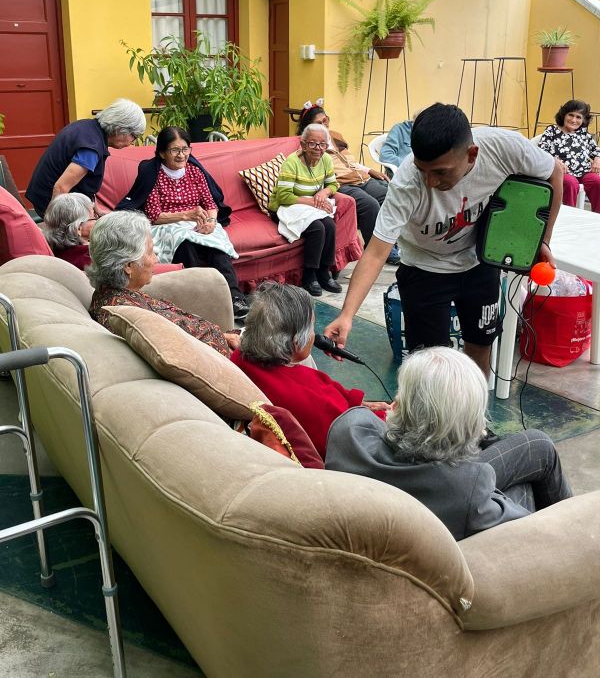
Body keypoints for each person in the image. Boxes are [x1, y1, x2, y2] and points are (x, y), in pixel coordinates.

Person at [324, 103, 563, 377]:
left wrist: (542, 239)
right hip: (424, 269)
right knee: (428, 365)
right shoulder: (406, 184)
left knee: (480, 348)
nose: (430, 182)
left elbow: (555, 171)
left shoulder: (503, 148)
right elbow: (376, 253)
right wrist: (347, 314)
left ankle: (474, 417)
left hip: (478, 264)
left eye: (441, 172)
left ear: (472, 154)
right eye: (422, 169)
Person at [326, 347, 572, 541]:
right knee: (527, 488)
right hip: (444, 500)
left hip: (401, 486)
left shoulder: (348, 431)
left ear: (398, 404)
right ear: (475, 427)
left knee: (538, 444)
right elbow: (535, 531)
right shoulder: (469, 489)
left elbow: (388, 432)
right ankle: (579, 544)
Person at [230, 282, 388, 458]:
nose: (315, 336)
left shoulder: (241, 355)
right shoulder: (307, 398)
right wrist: (386, 416)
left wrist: (359, 404)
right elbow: (356, 438)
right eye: (312, 328)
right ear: (296, 342)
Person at [116, 125, 249, 322]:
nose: (181, 155)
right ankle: (201, 297)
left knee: (215, 246)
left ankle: (235, 296)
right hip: (167, 226)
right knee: (185, 244)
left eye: (185, 149)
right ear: (162, 153)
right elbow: (154, 215)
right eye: (174, 150)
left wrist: (211, 222)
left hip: (196, 221)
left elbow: (211, 203)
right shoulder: (153, 174)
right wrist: (186, 216)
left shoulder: (195, 172)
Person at [87, 211, 239, 356]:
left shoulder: (117, 293)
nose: (156, 259)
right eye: (150, 252)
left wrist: (224, 336)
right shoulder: (132, 318)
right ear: (128, 266)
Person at [297, 101, 400, 266]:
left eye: (326, 120)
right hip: (342, 184)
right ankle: (378, 251)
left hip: (360, 178)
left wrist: (368, 170)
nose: (324, 125)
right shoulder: (309, 144)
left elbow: (350, 161)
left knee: (390, 194)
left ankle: (389, 243)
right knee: (370, 205)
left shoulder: (334, 136)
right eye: (319, 123)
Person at [26, 98, 146, 218]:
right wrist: (54, 224)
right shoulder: (91, 149)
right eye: (134, 136)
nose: (133, 142)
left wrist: (97, 210)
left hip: (47, 197)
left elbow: (86, 185)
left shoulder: (88, 127)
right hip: (50, 203)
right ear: (122, 129)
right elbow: (61, 187)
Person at [269, 123, 342, 297]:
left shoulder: (326, 160)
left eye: (322, 144)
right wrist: (314, 202)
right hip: (286, 206)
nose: (318, 148)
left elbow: (333, 184)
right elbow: (284, 197)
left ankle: (324, 272)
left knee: (329, 225)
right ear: (303, 145)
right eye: (312, 144)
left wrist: (324, 192)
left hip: (308, 207)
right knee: (317, 228)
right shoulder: (292, 162)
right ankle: (309, 276)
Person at [539, 99, 600, 213]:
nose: (573, 120)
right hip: (562, 171)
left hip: (584, 171)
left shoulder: (583, 133)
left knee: (597, 181)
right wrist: (555, 161)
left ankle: (597, 217)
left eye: (578, 117)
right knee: (570, 183)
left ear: (583, 120)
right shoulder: (552, 130)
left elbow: (596, 150)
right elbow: (542, 151)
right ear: (563, 115)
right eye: (570, 115)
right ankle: (569, 214)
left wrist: (597, 159)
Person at [42, 192, 97, 269]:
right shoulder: (91, 258)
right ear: (78, 228)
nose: (96, 220)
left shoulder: (51, 249)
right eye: (93, 216)